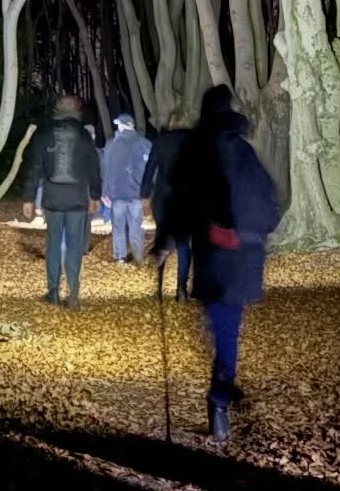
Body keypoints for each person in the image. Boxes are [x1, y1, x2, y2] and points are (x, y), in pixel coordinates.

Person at [156, 84, 279, 441]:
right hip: (246, 253)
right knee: (228, 325)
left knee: (222, 326)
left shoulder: (198, 151)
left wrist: (167, 242)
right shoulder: (244, 151)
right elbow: (268, 199)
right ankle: (223, 383)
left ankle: (219, 399)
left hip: (215, 253)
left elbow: (182, 201)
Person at [21, 95, 100, 309]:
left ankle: (53, 291)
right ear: (77, 110)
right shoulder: (83, 134)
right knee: (75, 245)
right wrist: (95, 195)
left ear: (57, 109)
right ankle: (73, 292)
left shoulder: (44, 133)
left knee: (53, 243)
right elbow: (93, 167)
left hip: (53, 199)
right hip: (77, 199)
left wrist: (28, 198)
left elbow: (34, 167)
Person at [141, 107, 193, 299]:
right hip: (186, 198)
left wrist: (145, 195)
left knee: (162, 239)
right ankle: (181, 289)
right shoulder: (195, 142)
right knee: (183, 244)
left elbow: (150, 169)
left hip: (163, 196)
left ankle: (158, 288)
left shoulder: (161, 141)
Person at [99, 112, 152, 265]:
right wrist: (147, 191)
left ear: (124, 126)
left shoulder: (112, 145)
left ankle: (119, 256)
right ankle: (138, 256)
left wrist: (105, 192)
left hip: (117, 193)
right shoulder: (144, 144)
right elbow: (150, 170)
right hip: (137, 193)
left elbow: (106, 170)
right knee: (136, 226)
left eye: (119, 125)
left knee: (118, 227)